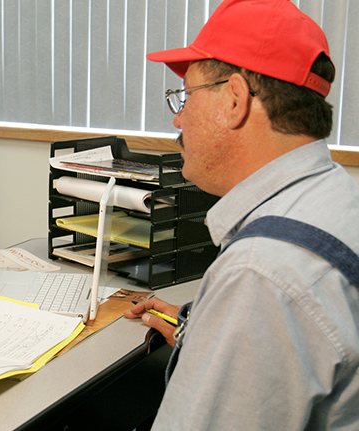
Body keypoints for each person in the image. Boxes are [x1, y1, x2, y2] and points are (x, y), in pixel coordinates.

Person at [125, 0, 359, 429]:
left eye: (186, 97)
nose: (179, 117)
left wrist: (236, 318)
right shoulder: (336, 196)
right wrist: (212, 335)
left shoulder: (260, 274)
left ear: (234, 99)